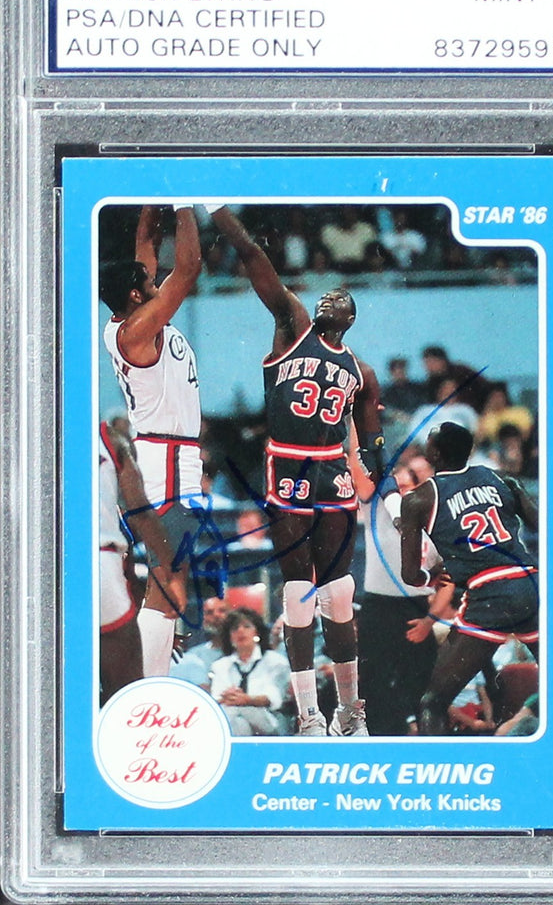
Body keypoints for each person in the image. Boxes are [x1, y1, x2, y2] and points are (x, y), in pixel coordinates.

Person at [213, 207, 384, 736]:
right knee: (297, 593)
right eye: (325, 295)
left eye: (341, 298)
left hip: (332, 470)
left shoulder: (362, 371)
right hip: (287, 463)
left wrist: (377, 473)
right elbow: (253, 256)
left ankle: (349, 709)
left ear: (350, 319)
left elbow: (373, 440)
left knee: (338, 592)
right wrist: (218, 210)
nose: (329, 298)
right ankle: (309, 713)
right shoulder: (292, 327)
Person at [99, 202, 223, 675]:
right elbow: (189, 269)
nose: (158, 282)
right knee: (169, 583)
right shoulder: (136, 331)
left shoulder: (131, 317)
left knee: (168, 583)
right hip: (165, 458)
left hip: (168, 454)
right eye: (149, 282)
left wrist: (157, 194)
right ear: (135, 295)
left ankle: (150, 678)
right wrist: (186, 201)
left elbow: (144, 244)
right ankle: (146, 688)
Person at [401, 421, 538, 736]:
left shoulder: (419, 499)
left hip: (489, 596)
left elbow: (410, 575)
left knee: (432, 702)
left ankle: (438, 765)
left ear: (435, 453)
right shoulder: (500, 477)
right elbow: (536, 523)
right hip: (529, 585)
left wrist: (431, 576)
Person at [349, 436, 443, 736]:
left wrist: (430, 620)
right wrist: (356, 421)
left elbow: (448, 580)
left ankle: (424, 745)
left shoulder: (437, 519)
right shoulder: (380, 506)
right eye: (405, 472)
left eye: (415, 478)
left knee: (422, 686)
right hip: (377, 606)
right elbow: (357, 467)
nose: (405, 480)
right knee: (372, 684)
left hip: (417, 610)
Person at [98, 420, 185, 702]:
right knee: (126, 692)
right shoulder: (110, 439)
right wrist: (172, 577)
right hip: (100, 560)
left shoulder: (26, 435)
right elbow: (143, 514)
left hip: (39, 562)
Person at [210, 608, 291, 736]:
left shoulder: (276, 662)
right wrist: (233, 698)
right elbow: (217, 696)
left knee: (239, 710)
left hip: (269, 721)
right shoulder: (220, 665)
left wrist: (247, 700)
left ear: (257, 632)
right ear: (229, 637)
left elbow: (274, 698)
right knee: (239, 723)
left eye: (247, 626)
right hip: (234, 718)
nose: (240, 631)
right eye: (235, 629)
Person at [169, 595, 228, 689]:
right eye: (209, 612)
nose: (216, 616)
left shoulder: (244, 651)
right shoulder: (194, 655)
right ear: (203, 619)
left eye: (222, 611)